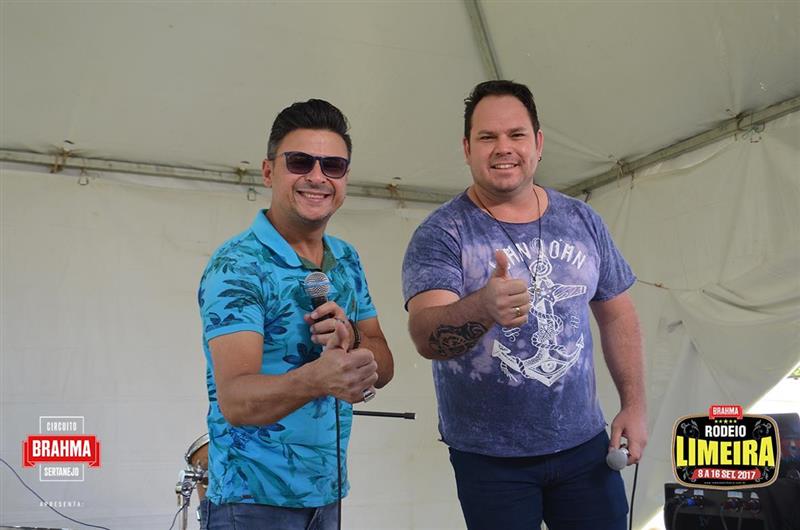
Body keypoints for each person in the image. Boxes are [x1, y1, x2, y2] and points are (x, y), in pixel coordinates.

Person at [402, 80, 647, 530]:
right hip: (489, 459)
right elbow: (426, 337)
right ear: (467, 148)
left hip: (585, 446)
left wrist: (634, 405)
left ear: (538, 143)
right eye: (487, 137)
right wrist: (483, 307)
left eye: (516, 135)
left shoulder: (581, 220)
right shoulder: (442, 233)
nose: (503, 148)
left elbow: (618, 314)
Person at [198, 99, 394, 529]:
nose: (317, 177)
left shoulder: (346, 259)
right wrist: (318, 378)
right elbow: (236, 401)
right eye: (300, 162)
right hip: (250, 502)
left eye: (333, 166)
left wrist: (352, 338)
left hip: (328, 494)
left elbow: (384, 365)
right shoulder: (238, 265)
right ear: (269, 171)